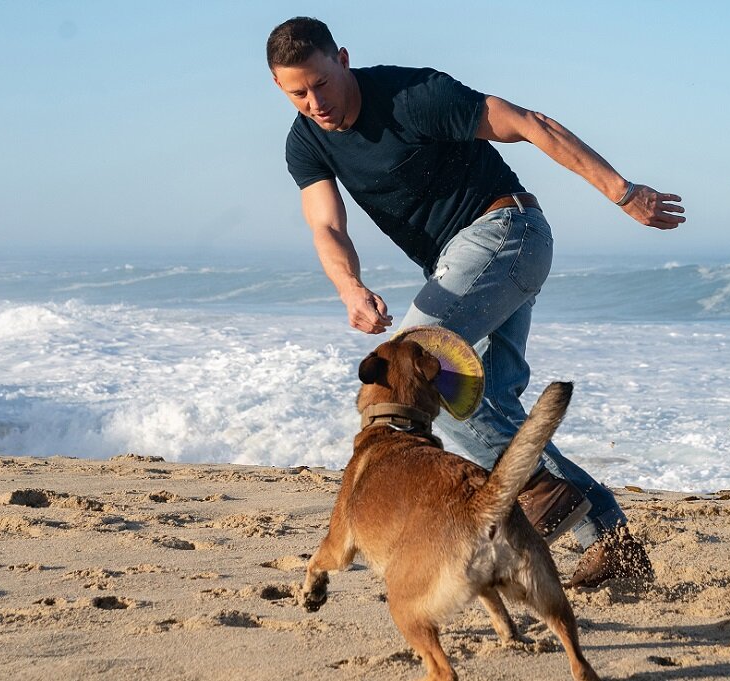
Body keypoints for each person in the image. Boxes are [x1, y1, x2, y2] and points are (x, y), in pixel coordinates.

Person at [267, 17, 685, 587]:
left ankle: (537, 488)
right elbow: (327, 227)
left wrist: (623, 192)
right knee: (490, 408)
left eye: (321, 83)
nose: (315, 102)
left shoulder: (412, 95)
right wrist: (351, 288)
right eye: (297, 92)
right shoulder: (306, 141)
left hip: (507, 232)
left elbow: (529, 124)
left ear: (342, 59)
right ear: (280, 89)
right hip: (465, 263)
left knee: (417, 368)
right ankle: (614, 543)